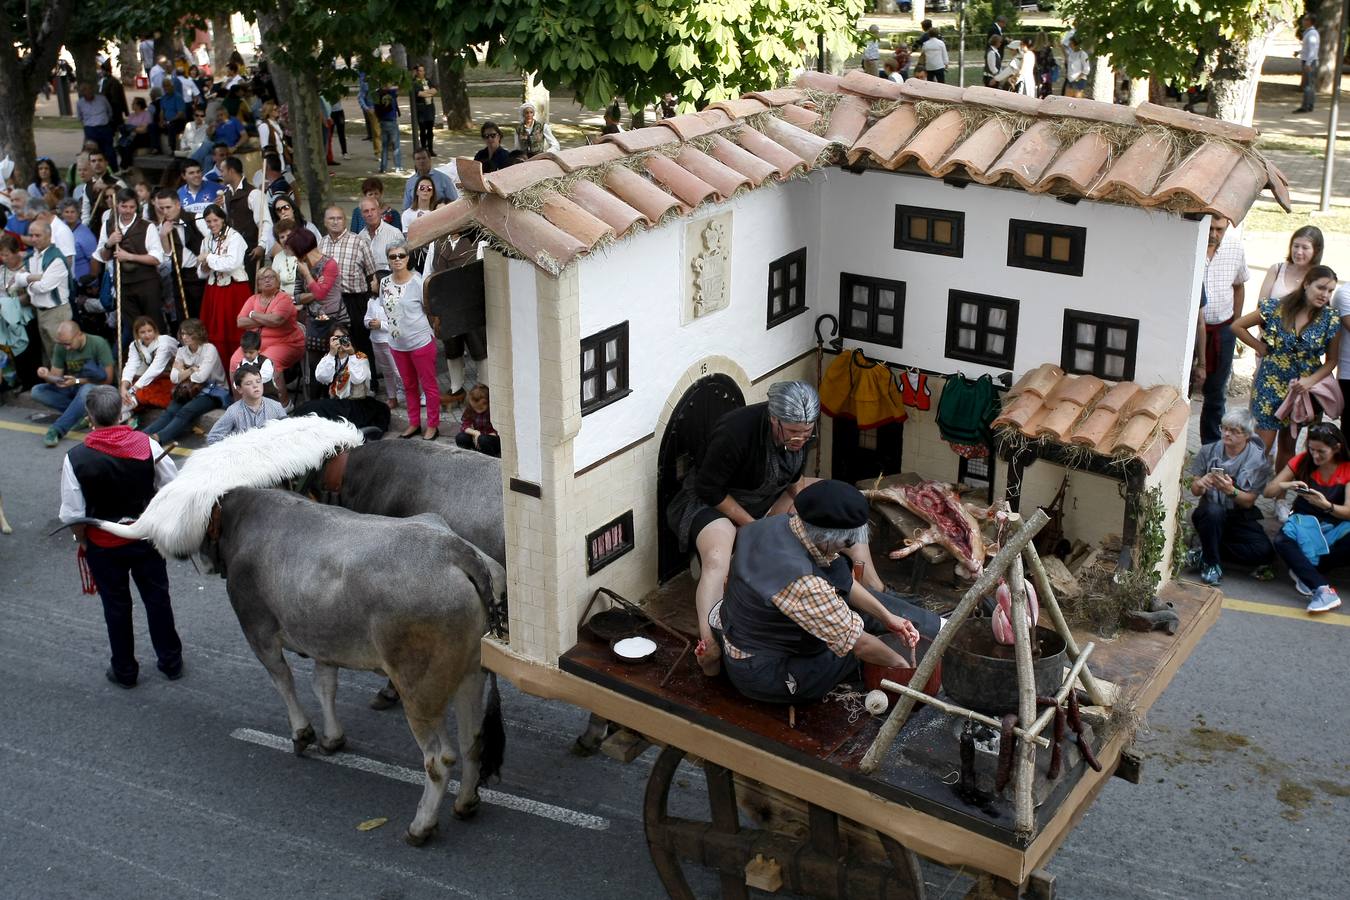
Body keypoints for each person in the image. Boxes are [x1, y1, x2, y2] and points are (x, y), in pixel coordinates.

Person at [664, 381, 891, 676]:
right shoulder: (736, 432)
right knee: (718, 558)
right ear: (774, 418)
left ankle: (875, 586)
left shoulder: (801, 432)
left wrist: (812, 506)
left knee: (841, 504)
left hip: (767, 495)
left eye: (806, 432)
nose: (800, 438)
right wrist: (755, 528)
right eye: (793, 431)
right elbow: (709, 489)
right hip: (712, 502)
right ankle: (709, 643)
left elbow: (794, 478)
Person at [711, 479, 934, 704]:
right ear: (828, 537)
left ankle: (929, 626)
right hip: (763, 671)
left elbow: (844, 581)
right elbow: (860, 644)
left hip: (755, 633)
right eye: (847, 540)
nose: (849, 545)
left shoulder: (784, 524)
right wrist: (903, 667)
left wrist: (887, 618)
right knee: (857, 654)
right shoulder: (801, 581)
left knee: (865, 624)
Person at [59, 384, 183, 687]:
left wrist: (82, 541)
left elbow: (73, 515)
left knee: (116, 607)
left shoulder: (75, 458)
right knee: (157, 599)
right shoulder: (147, 445)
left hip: (104, 545)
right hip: (144, 537)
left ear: (90, 417)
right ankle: (171, 662)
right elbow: (172, 486)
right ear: (121, 412)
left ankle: (125, 672)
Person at [1233, 265, 1341, 472]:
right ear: (1307, 283)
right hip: (1270, 384)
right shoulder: (1277, 307)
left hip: (1302, 390)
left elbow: (1331, 361)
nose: (1325, 295)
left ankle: (1280, 499)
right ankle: (1245, 493)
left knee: (1288, 446)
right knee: (1260, 446)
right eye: (1321, 288)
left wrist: (1310, 381)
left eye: (1330, 291)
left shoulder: (1331, 318)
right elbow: (1237, 326)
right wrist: (1260, 347)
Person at [1186, 408, 1274, 586]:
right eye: (1224, 428)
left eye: (1234, 431)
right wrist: (1200, 484)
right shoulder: (1208, 451)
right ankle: (1212, 564)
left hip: (1239, 515)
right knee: (1213, 511)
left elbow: (1249, 501)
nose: (1227, 434)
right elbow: (1194, 489)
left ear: (1247, 435)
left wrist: (1230, 491)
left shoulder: (1258, 461)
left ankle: (1206, 550)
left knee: (1264, 551)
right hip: (1210, 513)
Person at [1268, 422, 1349, 613]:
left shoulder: (1346, 468)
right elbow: (1268, 490)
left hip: (1333, 524)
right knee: (1282, 540)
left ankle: (1306, 572)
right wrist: (1286, 485)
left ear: (1336, 448)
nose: (1315, 456)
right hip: (1303, 521)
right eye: (1311, 449)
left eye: (1321, 451)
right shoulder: (1302, 460)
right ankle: (1321, 589)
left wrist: (1326, 505)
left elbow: (1348, 511)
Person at [378, 239, 440, 439]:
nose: (397, 260)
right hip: (397, 344)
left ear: (407, 258)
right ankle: (414, 422)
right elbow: (384, 307)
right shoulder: (384, 283)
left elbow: (429, 309)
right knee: (408, 385)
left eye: (401, 256)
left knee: (428, 385)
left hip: (420, 341)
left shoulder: (418, 282)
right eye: (392, 256)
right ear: (388, 260)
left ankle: (432, 424)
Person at [1197, 215, 1249, 444]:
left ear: (1227, 225)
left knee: (1216, 394)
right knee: (1182, 389)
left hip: (1222, 330)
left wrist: (1235, 326)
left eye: (1219, 229)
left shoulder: (1235, 247)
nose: (1213, 234)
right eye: (1210, 228)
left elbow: (1239, 286)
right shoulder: (1191, 241)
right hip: (1190, 332)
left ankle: (1212, 446)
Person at [142, 318, 229, 443]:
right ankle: (143, 435)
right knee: (171, 410)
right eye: (183, 333)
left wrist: (183, 370)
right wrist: (192, 370)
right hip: (189, 389)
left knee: (186, 410)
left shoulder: (209, 349)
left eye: (189, 334)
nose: (185, 337)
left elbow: (201, 377)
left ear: (199, 333)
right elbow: (174, 378)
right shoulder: (182, 351)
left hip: (212, 391)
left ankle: (159, 438)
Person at [33, 320, 114, 447]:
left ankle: (57, 429)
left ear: (79, 335)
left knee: (86, 390)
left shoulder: (98, 343)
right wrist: (46, 375)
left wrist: (77, 381)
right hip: (72, 387)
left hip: (95, 390)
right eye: (63, 344)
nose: (66, 348)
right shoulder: (61, 346)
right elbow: (56, 377)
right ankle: (81, 414)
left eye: (68, 344)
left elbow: (108, 379)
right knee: (37, 391)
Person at [295, 324, 391, 430]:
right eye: (336, 338)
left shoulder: (360, 357)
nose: (340, 341)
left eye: (344, 338)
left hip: (355, 404)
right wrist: (331, 353)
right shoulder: (330, 358)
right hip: (337, 403)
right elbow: (321, 377)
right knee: (305, 409)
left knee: (314, 410)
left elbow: (358, 379)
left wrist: (351, 355)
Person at [233, 266, 304, 406]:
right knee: (235, 360)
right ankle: (241, 404)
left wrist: (253, 315)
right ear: (258, 284)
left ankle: (283, 404)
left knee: (270, 361)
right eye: (263, 278)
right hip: (257, 344)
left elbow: (276, 320)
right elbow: (240, 322)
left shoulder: (284, 298)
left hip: (286, 342)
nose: (267, 280)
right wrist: (266, 318)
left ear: (278, 282)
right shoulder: (253, 299)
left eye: (271, 277)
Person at [320, 204, 378, 361]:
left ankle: (368, 381)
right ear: (325, 222)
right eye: (331, 218)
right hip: (331, 301)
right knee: (335, 343)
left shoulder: (358, 242)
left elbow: (371, 272)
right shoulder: (321, 244)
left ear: (345, 221)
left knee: (360, 343)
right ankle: (340, 382)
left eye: (339, 218)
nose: (335, 222)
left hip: (355, 301)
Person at [13, 217, 73, 365]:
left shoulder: (56, 258)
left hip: (56, 312)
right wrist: (33, 277)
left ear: (49, 236)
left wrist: (25, 280)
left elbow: (43, 287)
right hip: (40, 311)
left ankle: (70, 385)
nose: (33, 239)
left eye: (38, 235)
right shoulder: (32, 256)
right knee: (49, 353)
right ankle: (55, 384)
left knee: (61, 354)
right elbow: (16, 279)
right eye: (31, 235)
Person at [195, 203, 251, 361]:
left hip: (234, 289)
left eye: (215, 220)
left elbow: (232, 263)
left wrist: (208, 258)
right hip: (214, 290)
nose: (212, 224)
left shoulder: (235, 237)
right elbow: (201, 273)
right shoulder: (206, 240)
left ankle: (239, 367)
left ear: (222, 219)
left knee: (234, 331)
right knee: (215, 333)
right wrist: (205, 265)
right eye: (208, 221)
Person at [216, 156, 271, 282]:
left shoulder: (254, 194)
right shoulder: (227, 195)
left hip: (250, 251)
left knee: (250, 286)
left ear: (231, 171)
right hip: (233, 250)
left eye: (222, 171)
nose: (221, 174)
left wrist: (262, 246)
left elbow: (265, 223)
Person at [153, 187, 205, 320]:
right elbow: (167, 256)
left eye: (168, 207)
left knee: (202, 314)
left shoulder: (197, 219)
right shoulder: (163, 227)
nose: (165, 212)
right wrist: (163, 236)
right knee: (183, 316)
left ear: (178, 204)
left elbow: (212, 243)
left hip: (200, 275)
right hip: (179, 276)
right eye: (161, 208)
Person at [119, 315, 179, 422]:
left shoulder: (164, 342)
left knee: (141, 392)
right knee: (131, 391)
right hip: (152, 379)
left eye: (150, 331)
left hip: (172, 378)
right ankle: (124, 414)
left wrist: (133, 389)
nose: (147, 335)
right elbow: (130, 365)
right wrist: (124, 386)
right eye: (142, 332)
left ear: (155, 330)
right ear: (137, 334)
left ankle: (115, 416)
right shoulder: (135, 345)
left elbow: (156, 369)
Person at [207, 365, 287, 444]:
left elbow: (289, 431)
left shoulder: (276, 406)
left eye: (258, 381)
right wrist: (235, 446)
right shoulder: (233, 411)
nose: (255, 386)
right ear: (239, 389)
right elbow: (213, 437)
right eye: (249, 383)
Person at [363, 277, 405, 409]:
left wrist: (380, 324)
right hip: (376, 342)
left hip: (390, 342)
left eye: (374, 281)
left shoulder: (393, 301)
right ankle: (392, 397)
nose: (371, 283)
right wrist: (369, 323)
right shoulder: (372, 301)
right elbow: (366, 319)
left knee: (398, 371)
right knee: (386, 371)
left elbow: (398, 324)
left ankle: (412, 394)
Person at [1257, 225, 1322, 303]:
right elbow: (1261, 305)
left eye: (1305, 248)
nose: (1299, 252)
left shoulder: (1321, 277)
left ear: (1316, 251)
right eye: (1296, 246)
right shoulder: (1276, 269)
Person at [58, 200, 98, 286]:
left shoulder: (85, 234)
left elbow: (94, 259)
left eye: (73, 212)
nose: (70, 215)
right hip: (61, 277)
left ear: (78, 213)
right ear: (62, 214)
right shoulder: (59, 228)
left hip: (81, 280)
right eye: (67, 212)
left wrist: (93, 283)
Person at [77, 83, 116, 166]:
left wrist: (105, 121)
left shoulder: (102, 99)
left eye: (88, 89)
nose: (87, 92)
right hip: (90, 129)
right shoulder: (80, 103)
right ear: (82, 93)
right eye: (84, 91)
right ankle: (94, 170)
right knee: (92, 152)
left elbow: (109, 111)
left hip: (104, 128)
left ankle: (113, 169)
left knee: (109, 151)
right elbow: (80, 117)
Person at [455, 384, 499, 456]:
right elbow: (464, 426)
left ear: (488, 403)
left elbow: (498, 430)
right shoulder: (470, 409)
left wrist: (492, 434)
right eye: (475, 408)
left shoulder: (492, 410)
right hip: (477, 438)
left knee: (483, 439)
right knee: (460, 437)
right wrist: (475, 433)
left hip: (490, 440)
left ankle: (490, 457)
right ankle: (468, 455)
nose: (477, 410)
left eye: (480, 408)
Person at [1295, 14, 1320, 114]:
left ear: (1310, 21)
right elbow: (1308, 48)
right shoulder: (1309, 33)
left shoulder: (1312, 34)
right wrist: (1299, 52)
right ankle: (1310, 105)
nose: (1303, 21)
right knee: (1309, 85)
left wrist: (1308, 63)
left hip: (1310, 61)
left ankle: (1306, 106)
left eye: (1305, 19)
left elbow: (1312, 50)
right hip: (1309, 60)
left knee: (1307, 85)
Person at [411, 64, 438, 154]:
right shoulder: (415, 82)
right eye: (419, 71)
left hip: (429, 108)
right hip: (421, 109)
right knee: (423, 130)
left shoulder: (428, 81)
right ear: (416, 72)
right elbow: (419, 94)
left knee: (430, 130)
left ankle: (430, 149)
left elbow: (434, 91)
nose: (421, 72)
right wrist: (428, 92)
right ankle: (423, 149)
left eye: (422, 70)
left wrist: (427, 93)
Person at [376, 82, 402, 174]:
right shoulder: (391, 93)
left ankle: (383, 167)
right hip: (391, 121)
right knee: (396, 145)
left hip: (382, 121)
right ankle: (398, 166)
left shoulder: (378, 93)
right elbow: (399, 87)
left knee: (385, 146)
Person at [156, 78, 188, 151]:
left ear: (172, 86)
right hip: (168, 121)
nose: (166, 88)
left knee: (171, 125)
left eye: (168, 86)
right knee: (153, 126)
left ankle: (173, 149)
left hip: (178, 121)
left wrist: (169, 121)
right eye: (164, 86)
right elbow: (162, 111)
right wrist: (161, 121)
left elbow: (180, 114)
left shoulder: (177, 97)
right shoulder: (163, 98)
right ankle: (156, 148)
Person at [1033, 33, 1057, 100]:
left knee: (1037, 90)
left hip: (1036, 73)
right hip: (1046, 73)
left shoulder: (1033, 50)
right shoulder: (1048, 50)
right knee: (1046, 91)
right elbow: (1052, 62)